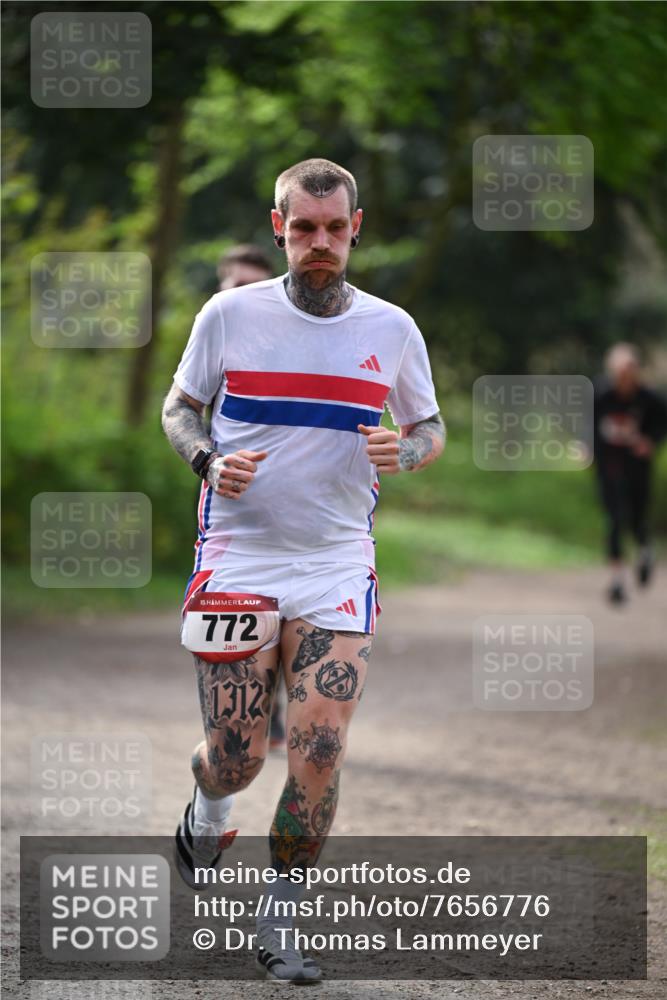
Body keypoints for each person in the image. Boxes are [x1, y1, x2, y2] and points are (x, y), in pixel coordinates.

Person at [161, 158, 445, 981]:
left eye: (333, 229)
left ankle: (281, 920)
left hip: (334, 561)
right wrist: (207, 460)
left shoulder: (391, 328)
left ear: (356, 228)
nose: (318, 244)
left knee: (319, 745)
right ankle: (208, 806)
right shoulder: (227, 315)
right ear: (279, 225)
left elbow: (427, 427)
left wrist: (410, 449)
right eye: (301, 228)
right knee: (239, 754)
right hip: (238, 557)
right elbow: (179, 407)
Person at [215, 243, 287, 750]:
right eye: (239, 285)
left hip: (300, 514)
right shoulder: (211, 338)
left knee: (296, 617)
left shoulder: (294, 342)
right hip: (230, 513)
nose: (248, 296)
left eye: (257, 285)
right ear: (222, 286)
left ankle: (277, 708)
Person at [593, 343, 667, 604]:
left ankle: (646, 552)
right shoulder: (600, 394)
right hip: (609, 466)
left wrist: (650, 441)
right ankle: (617, 580)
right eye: (620, 371)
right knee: (613, 519)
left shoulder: (650, 398)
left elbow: (661, 424)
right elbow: (583, 423)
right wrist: (584, 446)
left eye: (629, 370)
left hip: (637, 468)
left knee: (636, 518)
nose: (625, 376)